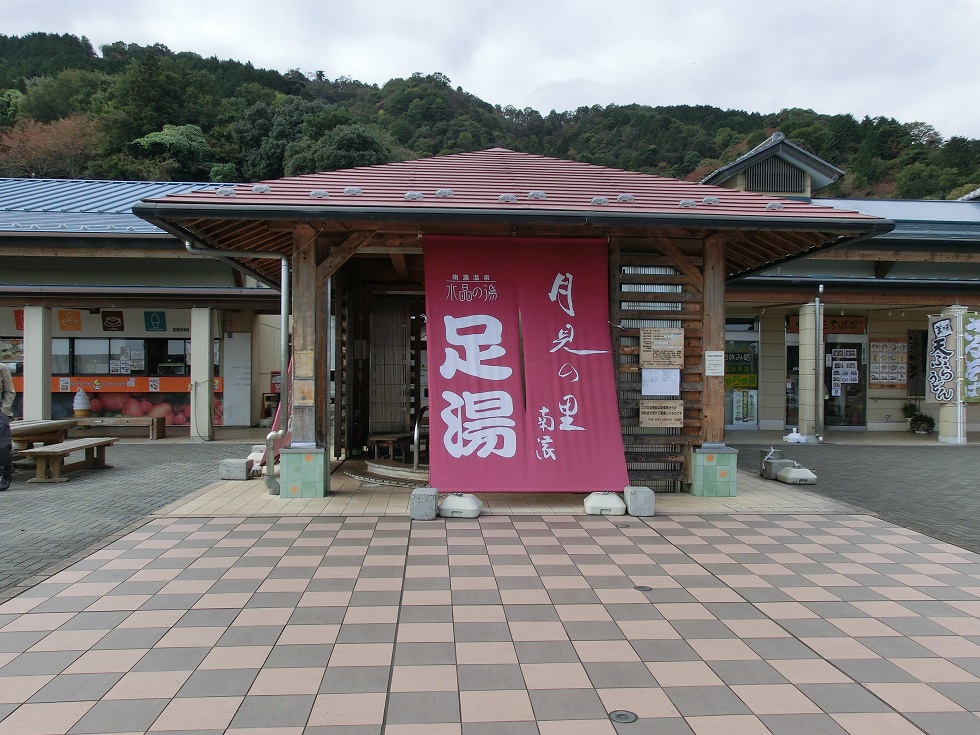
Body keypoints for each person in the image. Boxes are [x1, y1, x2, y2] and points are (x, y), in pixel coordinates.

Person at [0, 361, 14, 491]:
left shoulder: (2, 368)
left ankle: (5, 475)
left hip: (0, 412)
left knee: (3, 446)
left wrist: (4, 411)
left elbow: (10, 391)